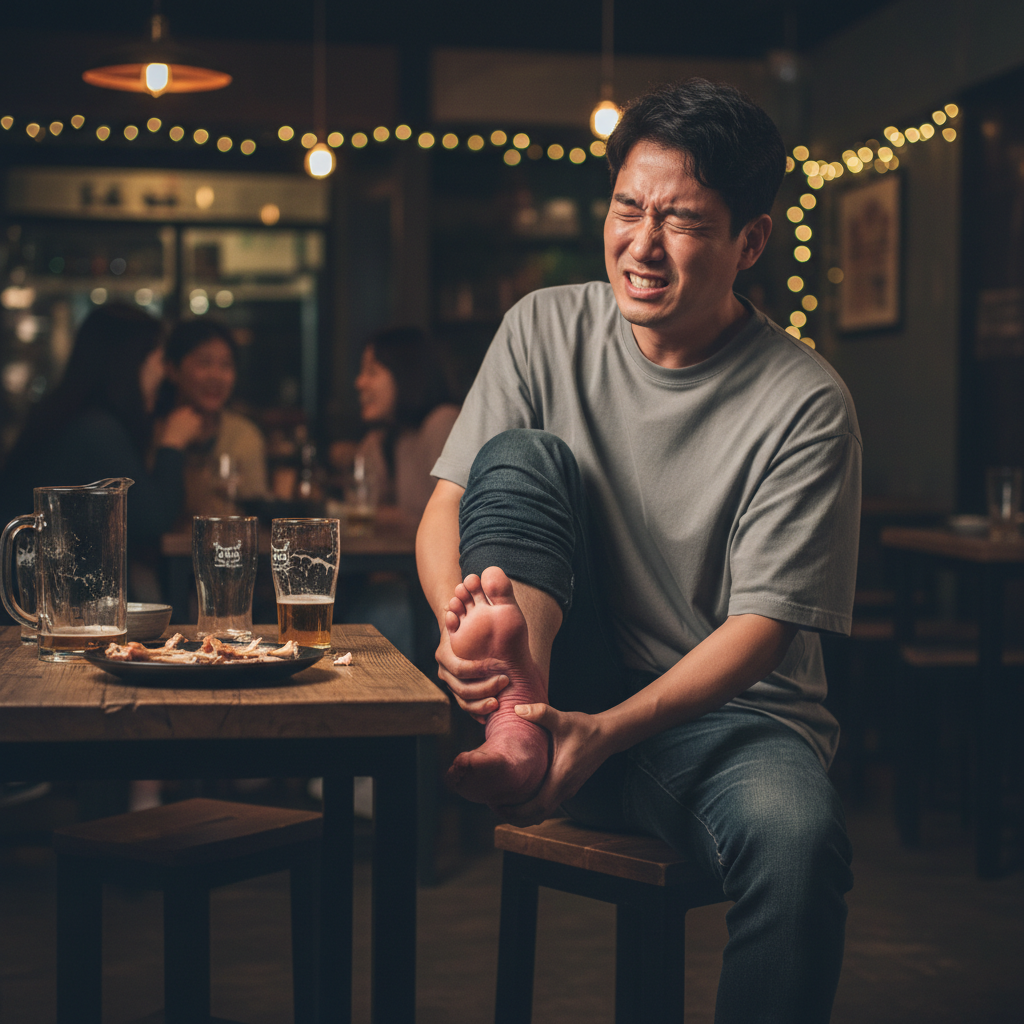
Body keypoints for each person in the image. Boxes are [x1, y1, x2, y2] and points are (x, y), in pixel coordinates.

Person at [417, 79, 860, 1023]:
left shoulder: (805, 401)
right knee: (520, 456)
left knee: (799, 836)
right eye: (628, 208)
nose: (641, 245)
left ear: (751, 242)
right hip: (560, 679)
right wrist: (453, 627)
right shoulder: (543, 325)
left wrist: (608, 733)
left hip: (726, 720)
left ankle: (531, 736)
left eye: (683, 222)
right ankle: (514, 722)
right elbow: (447, 507)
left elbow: (765, 632)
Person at [0, 303, 203, 587]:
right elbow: (152, 521)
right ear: (132, 363)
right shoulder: (95, 431)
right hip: (45, 604)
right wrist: (173, 443)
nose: (164, 373)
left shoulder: (68, 417)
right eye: (159, 359)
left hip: (37, 593)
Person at [158, 318, 268, 521]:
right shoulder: (156, 432)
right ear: (172, 370)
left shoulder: (244, 435)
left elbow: (257, 513)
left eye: (226, 365)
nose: (216, 376)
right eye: (204, 363)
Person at [352, 326, 460, 521]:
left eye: (372, 372)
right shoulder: (394, 436)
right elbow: (365, 502)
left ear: (404, 372)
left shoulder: (442, 423)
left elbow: (452, 520)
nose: (359, 383)